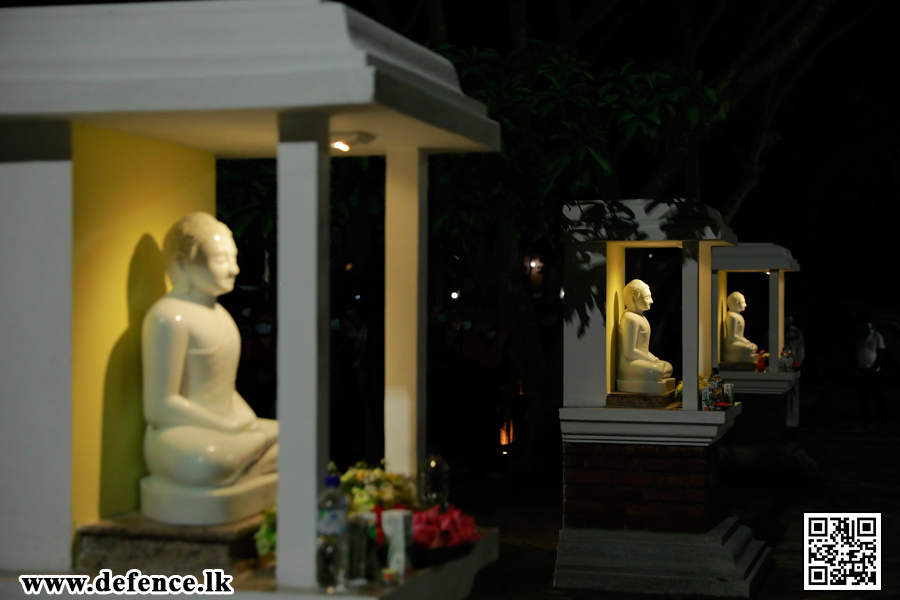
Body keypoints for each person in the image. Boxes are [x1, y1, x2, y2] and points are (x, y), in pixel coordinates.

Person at [142, 212, 278, 492]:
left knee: (294, 438)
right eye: (221, 259)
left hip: (225, 429)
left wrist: (245, 421)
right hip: (181, 434)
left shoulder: (222, 316)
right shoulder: (167, 318)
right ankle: (238, 462)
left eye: (234, 258)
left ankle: (242, 459)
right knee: (213, 462)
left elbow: (224, 390)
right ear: (182, 262)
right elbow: (159, 406)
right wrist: (222, 426)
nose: (234, 269)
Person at [616, 279, 674, 393]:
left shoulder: (642, 318)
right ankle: (655, 370)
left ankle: (657, 369)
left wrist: (653, 359)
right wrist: (652, 361)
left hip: (642, 360)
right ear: (634, 299)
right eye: (647, 298)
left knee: (668, 367)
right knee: (655, 371)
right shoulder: (629, 318)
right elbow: (630, 352)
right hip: (630, 363)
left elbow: (644, 349)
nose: (651, 301)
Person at [854, 319, 886, 428]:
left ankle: (884, 419)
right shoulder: (857, 337)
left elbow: (881, 353)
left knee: (878, 396)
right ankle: (866, 419)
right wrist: (857, 368)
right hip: (860, 372)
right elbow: (852, 353)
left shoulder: (877, 336)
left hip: (874, 372)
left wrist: (873, 368)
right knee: (863, 397)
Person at [723, 291, 759, 363]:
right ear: (735, 303)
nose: (745, 305)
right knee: (747, 349)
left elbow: (740, 335)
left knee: (754, 347)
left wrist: (745, 341)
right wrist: (745, 342)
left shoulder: (738, 316)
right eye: (742, 303)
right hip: (732, 343)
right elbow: (732, 336)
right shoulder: (731, 316)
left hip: (739, 341)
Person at [784, 315, 805, 429]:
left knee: (794, 395)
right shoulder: (775, 330)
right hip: (781, 365)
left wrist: (798, 364)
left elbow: (800, 349)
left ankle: (793, 424)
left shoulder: (796, 331)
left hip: (794, 364)